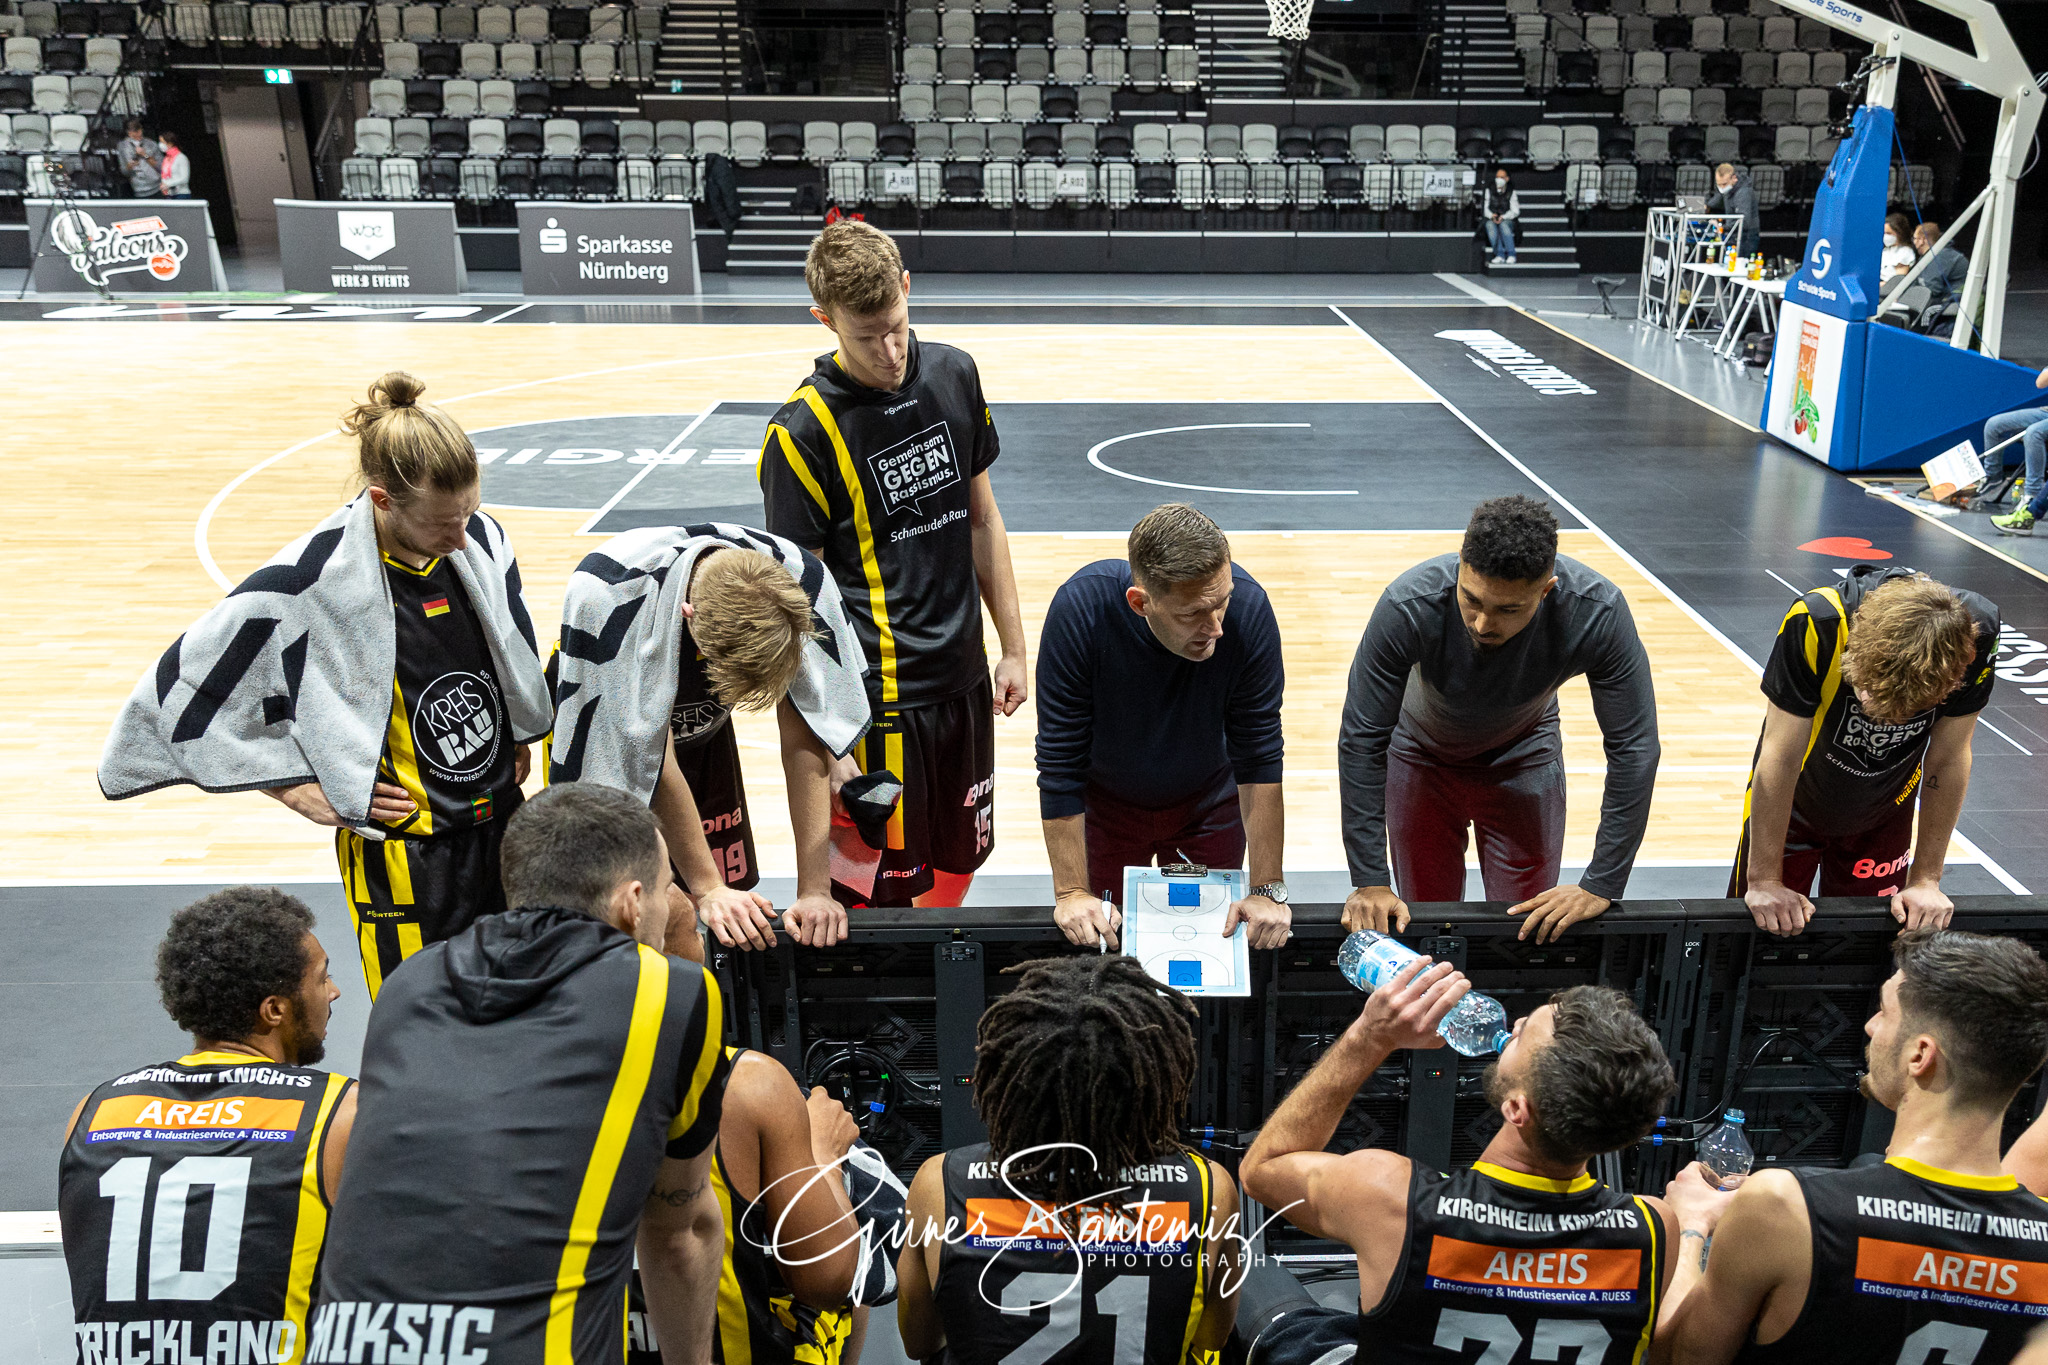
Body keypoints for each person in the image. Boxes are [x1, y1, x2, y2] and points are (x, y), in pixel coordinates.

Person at [100, 372, 553, 998]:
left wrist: (514, 724)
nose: (460, 537)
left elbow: (508, 640)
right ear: (382, 500)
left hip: (503, 828)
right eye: (443, 523)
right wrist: (288, 786)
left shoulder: (479, 540)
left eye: (469, 513)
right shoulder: (306, 582)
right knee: (421, 1022)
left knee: (522, 1003)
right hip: (404, 854)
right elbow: (173, 705)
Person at [314, 782, 730, 1363]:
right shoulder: (671, 991)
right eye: (667, 892)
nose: (670, 908)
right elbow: (678, 1233)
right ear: (633, 903)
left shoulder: (410, 982)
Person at [759, 219, 1029, 909]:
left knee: (962, 860)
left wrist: (1014, 648)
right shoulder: (802, 434)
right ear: (824, 319)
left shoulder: (955, 373)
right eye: (866, 334)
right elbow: (804, 604)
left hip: (964, 681)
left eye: (897, 325)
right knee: (876, 896)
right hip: (881, 702)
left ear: (907, 289)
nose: (889, 350)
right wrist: (832, 731)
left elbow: (984, 519)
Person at [1653, 927, 2048, 1365]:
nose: (1870, 1025)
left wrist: (1692, 1225)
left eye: (1883, 1011)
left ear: (1920, 1056)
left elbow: (1680, 1357)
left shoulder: (1782, 1205)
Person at [1240, 969, 1677, 1364]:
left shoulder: (1392, 1196)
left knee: (1249, 1272)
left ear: (1516, 1109)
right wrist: (1695, 1230)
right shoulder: (1655, 1227)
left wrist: (1369, 1038)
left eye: (1525, 1035)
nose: (1516, 1023)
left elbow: (1262, 1170)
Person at [1338, 495, 1660, 945]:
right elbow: (1361, 740)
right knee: (1427, 926)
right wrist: (1370, 876)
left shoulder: (1596, 612)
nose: (1484, 623)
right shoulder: (1407, 604)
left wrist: (1604, 881)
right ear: (1459, 569)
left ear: (1547, 591)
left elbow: (1635, 748)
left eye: (1509, 610)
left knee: (1524, 933)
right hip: (1419, 756)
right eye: (1471, 600)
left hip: (1524, 757)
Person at [894, 954, 1243, 1364]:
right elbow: (1212, 1340)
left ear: (1010, 1074)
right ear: (1156, 1083)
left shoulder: (939, 1182)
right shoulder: (1210, 1187)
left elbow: (918, 1343)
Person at [59, 888, 356, 1362]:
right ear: (274, 1010)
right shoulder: (342, 1111)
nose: (334, 991)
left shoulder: (96, 1108)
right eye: (322, 978)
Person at [551, 524, 872, 951]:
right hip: (609, 720)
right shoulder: (609, 598)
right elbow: (651, 759)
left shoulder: (801, 583)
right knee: (660, 913)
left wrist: (815, 889)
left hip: (705, 732)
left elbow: (805, 733)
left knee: (736, 900)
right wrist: (706, 890)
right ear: (689, 614)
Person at [628, 911, 886, 1365]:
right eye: (693, 930)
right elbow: (829, 1282)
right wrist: (824, 1154)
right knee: (855, 1211)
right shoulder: (749, 1085)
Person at [1036, 502, 1291, 952]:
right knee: (1106, 953)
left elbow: (1260, 755)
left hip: (1209, 807)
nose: (1216, 628)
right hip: (1106, 811)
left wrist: (1268, 888)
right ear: (1141, 602)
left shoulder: (1249, 611)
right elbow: (1060, 761)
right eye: (1194, 613)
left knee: (1210, 950)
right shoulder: (1082, 610)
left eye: (1222, 601)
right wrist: (1070, 893)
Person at [1731, 566, 1996, 936]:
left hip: (1887, 808)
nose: (1883, 720)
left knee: (1865, 946)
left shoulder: (1977, 634)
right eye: (1870, 695)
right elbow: (1780, 756)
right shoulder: (1818, 621)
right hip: (1796, 804)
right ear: (1855, 650)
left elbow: (1949, 758)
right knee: (1759, 933)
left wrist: (1926, 879)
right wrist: (1763, 880)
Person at [1706, 163, 1759, 258]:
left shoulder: (1744, 193)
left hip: (1746, 237)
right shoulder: (1728, 188)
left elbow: (1744, 221)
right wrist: (1705, 205)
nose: (1722, 188)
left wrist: (1723, 227)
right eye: (1719, 184)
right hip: (1733, 234)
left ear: (1734, 178)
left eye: (1724, 184)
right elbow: (1717, 199)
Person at [1481, 167, 1520, 265]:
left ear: (1507, 179)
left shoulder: (1511, 192)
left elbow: (1515, 211)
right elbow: (1485, 208)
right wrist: (1491, 215)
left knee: (1503, 225)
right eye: (1497, 177)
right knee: (1490, 225)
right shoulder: (1489, 190)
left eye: (1502, 177)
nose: (1499, 179)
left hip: (1507, 219)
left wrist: (1504, 217)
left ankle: (1511, 254)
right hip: (1492, 217)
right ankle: (1499, 254)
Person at [116, 119, 159, 198]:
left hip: (156, 187)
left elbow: (160, 166)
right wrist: (129, 166)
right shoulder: (122, 147)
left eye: (139, 131)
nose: (138, 134)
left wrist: (145, 155)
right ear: (128, 133)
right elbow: (124, 171)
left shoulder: (151, 144)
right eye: (134, 132)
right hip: (138, 188)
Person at [1879, 213, 1916, 288]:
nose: (1885, 236)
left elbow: (1898, 281)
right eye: (1884, 233)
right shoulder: (1885, 250)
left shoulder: (1906, 253)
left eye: (1889, 233)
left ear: (1899, 233)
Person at [158, 131, 190, 198]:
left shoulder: (181, 157)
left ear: (170, 143)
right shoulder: (167, 158)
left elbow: (185, 178)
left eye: (162, 142)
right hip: (169, 194)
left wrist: (168, 184)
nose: (160, 144)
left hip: (181, 194)